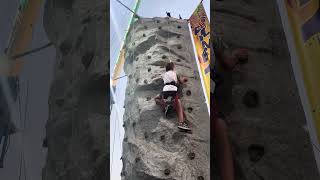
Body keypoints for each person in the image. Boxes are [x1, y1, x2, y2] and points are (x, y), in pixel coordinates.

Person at [212, 35, 248, 180]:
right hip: (207, 86)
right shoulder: (211, 37)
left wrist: (236, 56)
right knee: (219, 126)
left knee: (219, 126)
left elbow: (227, 61)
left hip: (208, 86)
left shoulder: (212, 38)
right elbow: (227, 61)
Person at [154, 62, 190, 130]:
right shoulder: (175, 73)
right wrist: (185, 80)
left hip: (164, 91)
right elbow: (181, 82)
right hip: (172, 90)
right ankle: (181, 123)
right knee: (178, 103)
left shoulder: (164, 75)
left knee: (156, 98)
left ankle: (165, 105)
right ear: (173, 68)